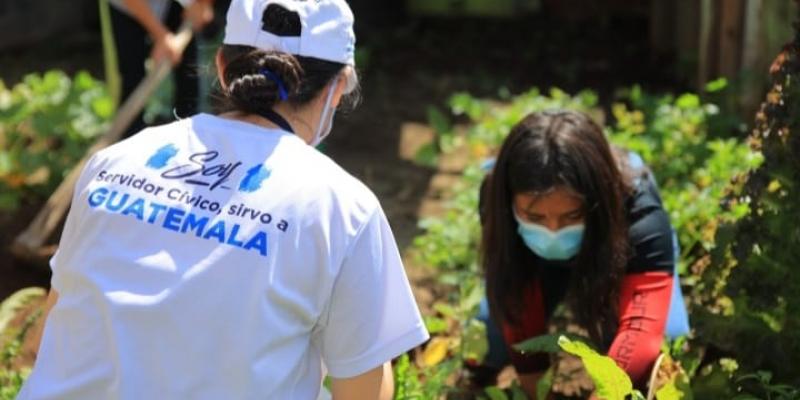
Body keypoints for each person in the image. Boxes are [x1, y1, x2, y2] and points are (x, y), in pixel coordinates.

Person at [18, 1, 429, 399]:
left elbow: (55, 328)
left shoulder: (114, 160)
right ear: (338, 88)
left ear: (222, 68)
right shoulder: (342, 207)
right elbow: (364, 390)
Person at [477, 110, 687, 397]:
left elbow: (640, 329)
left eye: (571, 215)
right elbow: (514, 291)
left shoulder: (638, 211)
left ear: (597, 202)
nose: (552, 230)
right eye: (534, 217)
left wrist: (605, 392)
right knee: (490, 344)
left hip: (612, 253)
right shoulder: (496, 198)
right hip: (533, 263)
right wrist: (538, 391)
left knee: (667, 339)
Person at [109, 0, 215, 138]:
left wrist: (202, 5)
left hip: (173, 4)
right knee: (132, 77)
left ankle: (190, 133)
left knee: (189, 74)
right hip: (128, 7)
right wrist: (161, 36)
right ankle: (131, 139)